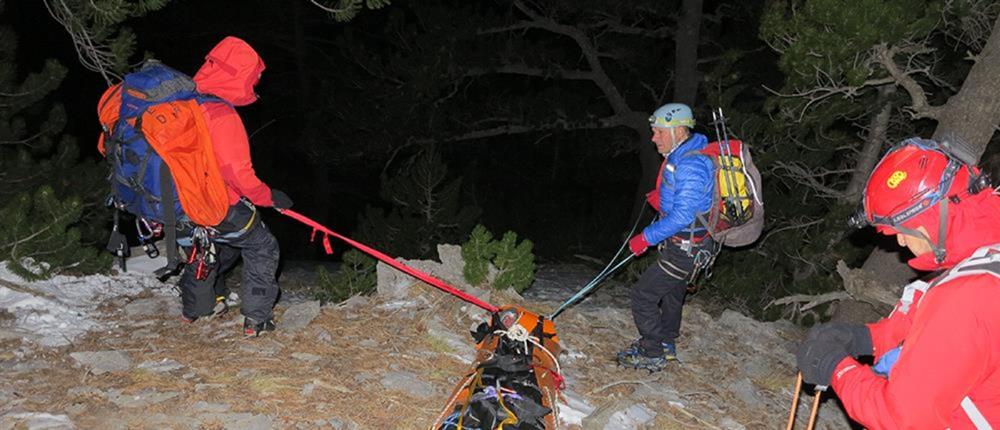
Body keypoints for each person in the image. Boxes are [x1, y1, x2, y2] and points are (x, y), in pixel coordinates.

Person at [796, 138, 1000, 428]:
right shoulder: (985, 248)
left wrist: (836, 368)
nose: (901, 241)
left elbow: (900, 419)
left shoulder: (967, 297)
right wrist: (864, 338)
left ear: (933, 218)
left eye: (902, 230)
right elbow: (936, 328)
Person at [178, 36, 294, 337]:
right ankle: (256, 320)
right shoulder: (220, 114)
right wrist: (268, 197)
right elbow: (237, 173)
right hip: (213, 203)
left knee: (214, 245)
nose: (256, 83)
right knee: (262, 245)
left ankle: (195, 309)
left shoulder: (181, 106)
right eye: (254, 77)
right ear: (240, 76)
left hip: (176, 206)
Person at [617, 103, 716, 372]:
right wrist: (663, 202)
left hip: (685, 248)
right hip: (687, 245)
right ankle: (666, 344)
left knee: (643, 295)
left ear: (680, 131)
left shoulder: (691, 164)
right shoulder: (681, 155)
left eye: (659, 132)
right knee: (673, 294)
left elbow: (683, 216)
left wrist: (645, 237)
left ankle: (652, 352)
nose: (653, 138)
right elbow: (685, 205)